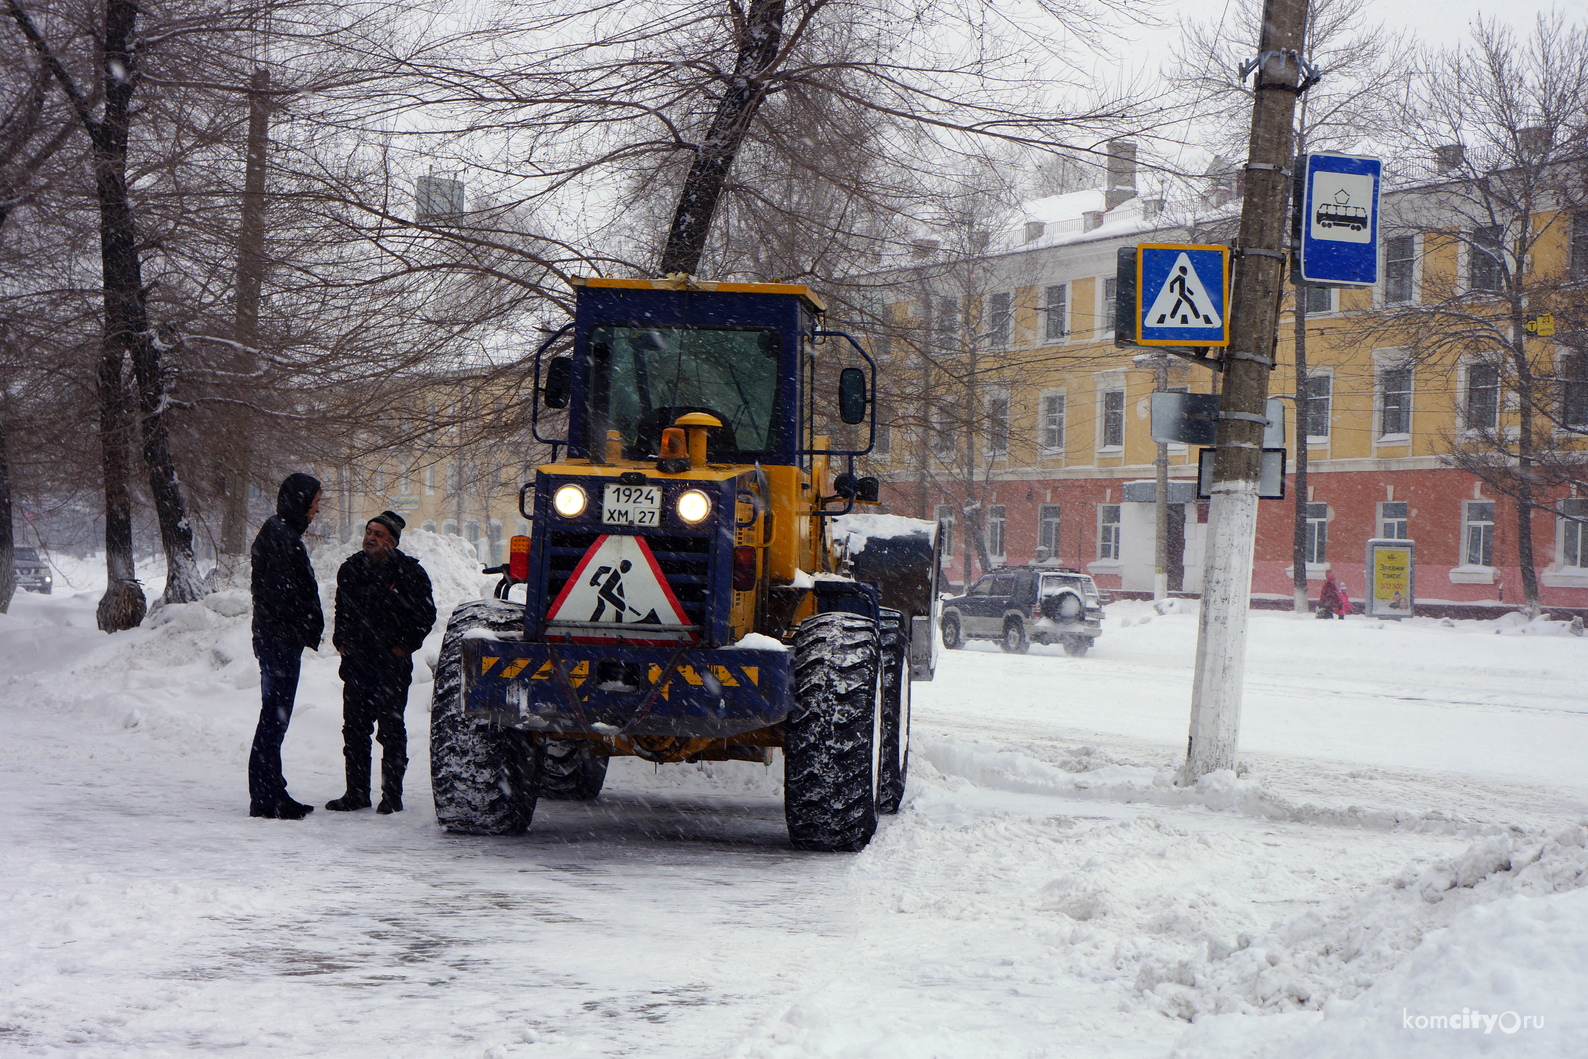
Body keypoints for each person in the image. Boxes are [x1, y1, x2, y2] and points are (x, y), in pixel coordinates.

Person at [326, 511, 436, 815]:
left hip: (391, 665)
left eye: (378, 534)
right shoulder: (351, 569)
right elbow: (341, 609)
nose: (370, 538)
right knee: (355, 730)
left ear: (393, 542)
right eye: (369, 531)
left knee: (390, 730)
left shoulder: (410, 573)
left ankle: (392, 796)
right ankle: (357, 793)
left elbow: (425, 616)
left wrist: (403, 647)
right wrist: (342, 642)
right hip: (358, 663)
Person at [249, 473, 325, 820]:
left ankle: (273, 790)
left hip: (277, 638)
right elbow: (283, 595)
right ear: (300, 502)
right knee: (274, 720)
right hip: (279, 641)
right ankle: (266, 797)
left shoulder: (281, 533)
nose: (316, 511)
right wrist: (301, 625)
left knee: (274, 718)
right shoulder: (282, 537)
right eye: (314, 503)